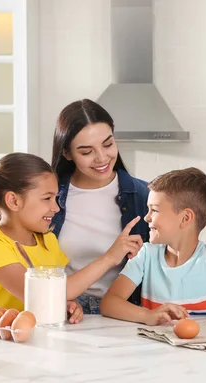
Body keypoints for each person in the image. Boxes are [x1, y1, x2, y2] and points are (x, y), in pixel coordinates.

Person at [0, 152, 143, 323]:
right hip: (0, 344)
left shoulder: (47, 240)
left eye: (56, 198)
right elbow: (43, 294)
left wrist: (68, 304)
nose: (56, 207)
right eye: (46, 198)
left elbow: (59, 293)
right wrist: (110, 258)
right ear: (13, 200)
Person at [100, 168, 206, 327]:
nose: (147, 217)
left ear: (185, 218)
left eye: (154, 210)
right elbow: (109, 303)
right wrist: (147, 315)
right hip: (153, 351)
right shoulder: (145, 256)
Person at [51, 99, 150, 314]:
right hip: (68, 311)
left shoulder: (145, 195)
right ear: (67, 153)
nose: (102, 158)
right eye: (87, 152)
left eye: (108, 145)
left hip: (126, 311)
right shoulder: (49, 198)